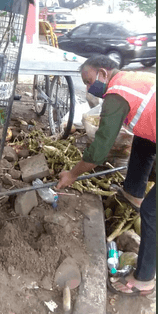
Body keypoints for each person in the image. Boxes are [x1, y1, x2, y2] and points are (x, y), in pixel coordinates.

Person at [56, 55, 156, 296]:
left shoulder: (116, 93)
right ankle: (133, 194)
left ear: (103, 73)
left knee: (152, 212)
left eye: (88, 81)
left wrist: (72, 174)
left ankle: (145, 279)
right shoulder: (130, 80)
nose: (89, 88)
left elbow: (100, 149)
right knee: (142, 141)